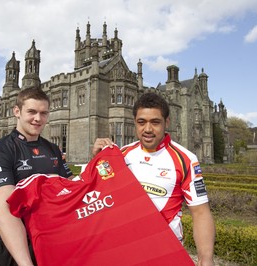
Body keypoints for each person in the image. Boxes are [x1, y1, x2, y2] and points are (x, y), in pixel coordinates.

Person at [92, 92, 215, 266]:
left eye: (155, 122)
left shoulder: (185, 159)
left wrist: (206, 260)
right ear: (135, 122)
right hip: (124, 251)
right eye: (141, 122)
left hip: (165, 253)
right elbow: (97, 197)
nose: (147, 129)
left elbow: (201, 213)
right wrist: (97, 161)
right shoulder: (121, 154)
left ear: (167, 123)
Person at [0, 86, 73, 266]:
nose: (38, 119)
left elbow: (71, 191)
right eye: (32, 112)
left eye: (44, 113)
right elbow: (6, 211)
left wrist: (98, 160)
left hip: (47, 242)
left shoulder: (52, 149)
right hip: (8, 249)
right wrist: (25, 263)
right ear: (17, 111)